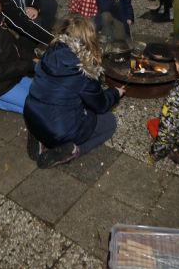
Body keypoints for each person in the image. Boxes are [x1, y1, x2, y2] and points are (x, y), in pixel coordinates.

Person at [24, 16, 124, 168]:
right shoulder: (84, 71)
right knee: (109, 122)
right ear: (89, 40)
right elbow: (100, 105)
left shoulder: (50, 52)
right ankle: (71, 150)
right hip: (57, 131)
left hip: (31, 115)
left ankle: (38, 137)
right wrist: (115, 93)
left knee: (58, 104)